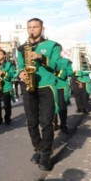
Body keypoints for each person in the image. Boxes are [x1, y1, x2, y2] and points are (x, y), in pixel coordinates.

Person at [17, 18, 61, 171]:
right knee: (31, 122)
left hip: (46, 86)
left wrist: (42, 58)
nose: (32, 30)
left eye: (35, 27)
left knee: (47, 122)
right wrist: (21, 73)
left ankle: (46, 155)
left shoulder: (52, 45)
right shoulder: (22, 48)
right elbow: (20, 66)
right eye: (29, 27)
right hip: (29, 87)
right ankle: (38, 149)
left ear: (42, 28)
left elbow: (57, 66)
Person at [0, 49, 15, 125]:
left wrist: (4, 73)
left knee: (7, 104)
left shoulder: (9, 64)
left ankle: (7, 118)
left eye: (0, 54)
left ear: (4, 55)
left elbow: (12, 74)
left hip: (6, 86)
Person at [54, 55, 73, 133]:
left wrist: (60, 72)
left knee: (62, 107)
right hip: (50, 86)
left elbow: (70, 73)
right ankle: (54, 124)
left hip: (61, 86)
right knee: (51, 107)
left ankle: (63, 125)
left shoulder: (66, 61)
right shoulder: (46, 60)